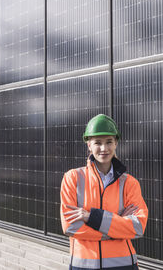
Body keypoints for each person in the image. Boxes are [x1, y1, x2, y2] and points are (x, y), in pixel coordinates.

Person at [60, 114, 148, 270]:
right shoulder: (73, 178)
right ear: (89, 145)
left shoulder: (129, 183)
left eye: (109, 142)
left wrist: (92, 217)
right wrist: (117, 230)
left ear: (116, 143)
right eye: (97, 143)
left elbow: (138, 226)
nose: (104, 148)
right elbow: (71, 226)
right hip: (84, 266)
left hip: (124, 265)